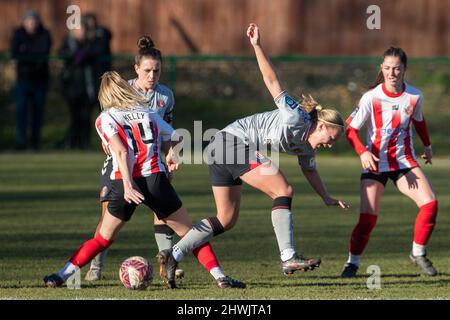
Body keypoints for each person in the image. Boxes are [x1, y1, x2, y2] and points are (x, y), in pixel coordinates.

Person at [156, 23, 349, 287]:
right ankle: (288, 256)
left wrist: (326, 197)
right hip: (230, 142)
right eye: (331, 139)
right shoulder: (297, 117)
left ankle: (173, 254)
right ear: (322, 125)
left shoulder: (306, 146)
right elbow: (271, 81)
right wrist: (257, 45)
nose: (330, 144)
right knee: (283, 189)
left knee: (226, 218)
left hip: (219, 147)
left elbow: (310, 170)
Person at [43, 71, 244, 289]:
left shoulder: (105, 118)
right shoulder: (146, 111)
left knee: (102, 239)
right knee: (190, 233)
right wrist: (171, 155)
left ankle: (61, 276)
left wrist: (128, 185)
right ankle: (220, 277)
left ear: (104, 96)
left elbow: (120, 152)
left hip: (124, 183)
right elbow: (176, 136)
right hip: (155, 180)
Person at [84, 36, 183, 283]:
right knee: (109, 213)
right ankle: (96, 265)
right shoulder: (122, 90)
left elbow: (167, 132)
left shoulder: (166, 96)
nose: (152, 76)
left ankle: (166, 264)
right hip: (121, 162)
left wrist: (171, 155)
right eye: (147, 70)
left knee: (163, 211)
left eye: (157, 71)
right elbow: (107, 131)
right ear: (136, 69)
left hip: (151, 162)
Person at [341, 47, 438, 277]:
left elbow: (419, 121)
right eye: (387, 68)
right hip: (375, 164)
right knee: (368, 219)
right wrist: (363, 152)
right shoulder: (371, 97)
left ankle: (418, 252)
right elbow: (351, 130)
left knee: (430, 204)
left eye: (396, 68)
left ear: (404, 69)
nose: (392, 73)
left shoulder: (414, 96)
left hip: (404, 163)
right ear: (381, 69)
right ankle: (352, 263)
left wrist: (427, 146)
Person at [10, 10, 52, 150]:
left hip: (40, 80)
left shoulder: (44, 34)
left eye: (34, 21)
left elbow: (43, 51)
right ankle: (21, 141)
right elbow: (14, 53)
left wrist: (26, 51)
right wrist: (29, 53)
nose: (32, 24)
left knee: (37, 112)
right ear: (24, 22)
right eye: (29, 21)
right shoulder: (18, 34)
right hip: (23, 80)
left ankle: (35, 142)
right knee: (21, 111)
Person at [59, 23, 98, 149]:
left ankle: (85, 142)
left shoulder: (90, 44)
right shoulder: (68, 43)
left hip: (87, 87)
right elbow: (67, 57)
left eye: (83, 30)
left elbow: (93, 53)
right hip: (72, 87)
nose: (81, 32)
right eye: (79, 30)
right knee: (75, 117)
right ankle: (73, 142)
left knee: (86, 116)